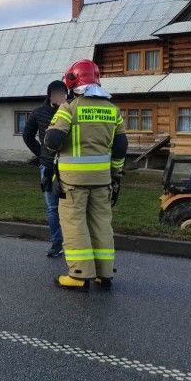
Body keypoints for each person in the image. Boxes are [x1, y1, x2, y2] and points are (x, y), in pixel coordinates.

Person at [44, 59, 128, 291]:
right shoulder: (113, 110)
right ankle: (105, 273)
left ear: (72, 82)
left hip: (73, 182)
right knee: (101, 223)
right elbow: (121, 147)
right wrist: (116, 175)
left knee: (74, 224)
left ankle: (79, 275)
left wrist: (52, 136)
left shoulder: (70, 108)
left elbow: (52, 141)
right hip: (103, 180)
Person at [22, 80, 69, 257]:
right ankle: (56, 243)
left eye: (63, 93)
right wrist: (41, 154)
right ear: (49, 95)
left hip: (69, 167)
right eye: (56, 93)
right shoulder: (39, 113)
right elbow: (27, 135)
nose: (60, 97)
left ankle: (73, 242)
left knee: (71, 207)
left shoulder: (72, 110)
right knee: (52, 207)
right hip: (48, 167)